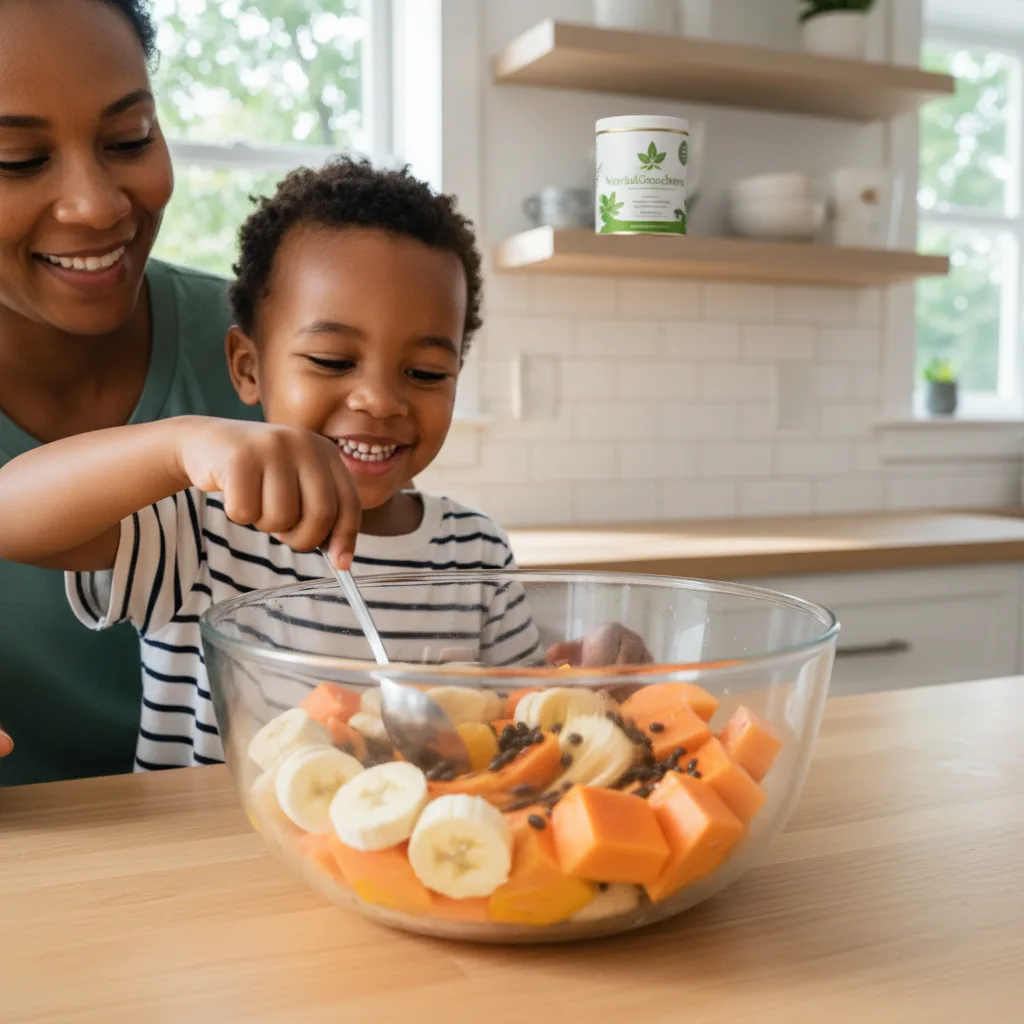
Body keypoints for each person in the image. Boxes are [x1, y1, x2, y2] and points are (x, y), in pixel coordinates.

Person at [0, 157, 547, 771]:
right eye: (333, 361)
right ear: (248, 367)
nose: (379, 399)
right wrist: (179, 445)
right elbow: (9, 517)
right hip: (210, 834)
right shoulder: (201, 530)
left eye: (425, 373)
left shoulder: (475, 552)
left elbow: (523, 728)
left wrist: (585, 674)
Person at [0, 0, 263, 784]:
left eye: (129, 139)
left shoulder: (276, 356)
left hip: (241, 836)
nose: (97, 205)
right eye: (16, 159)